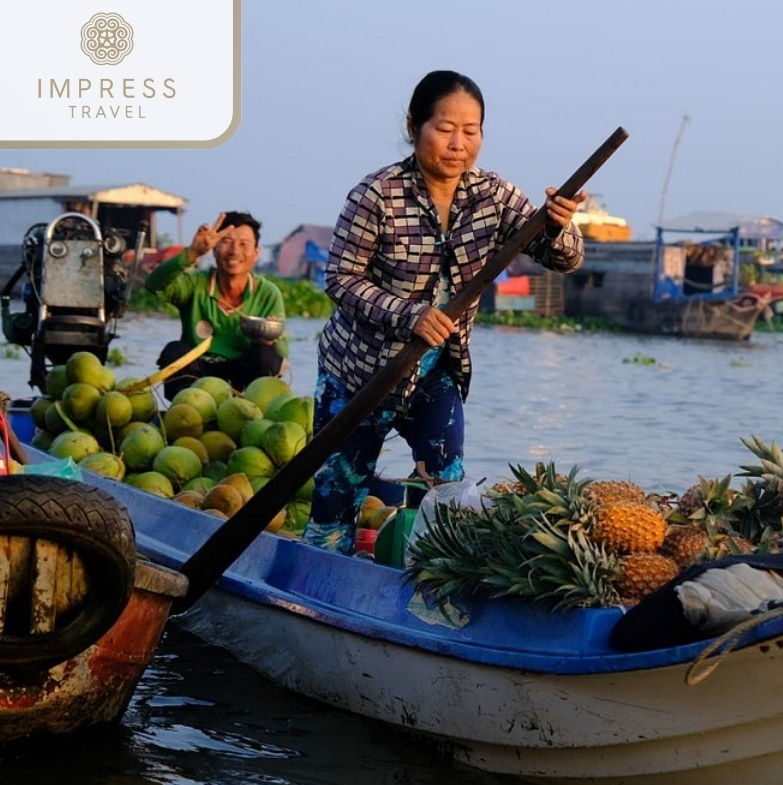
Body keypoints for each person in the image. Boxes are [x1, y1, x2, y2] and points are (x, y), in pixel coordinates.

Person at [302, 70, 586, 554]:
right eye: (445, 128)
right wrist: (407, 315)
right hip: (358, 374)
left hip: (436, 372)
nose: (459, 144)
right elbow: (340, 280)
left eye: (471, 131)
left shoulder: (492, 196)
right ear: (414, 127)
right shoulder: (377, 194)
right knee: (336, 504)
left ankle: (436, 589)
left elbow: (565, 258)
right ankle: (317, 589)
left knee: (450, 490)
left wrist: (560, 225)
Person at [144, 211, 288, 399]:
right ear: (213, 248)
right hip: (197, 380)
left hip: (244, 383)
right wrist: (192, 253)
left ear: (256, 253)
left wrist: (269, 340)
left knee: (266, 355)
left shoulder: (267, 293)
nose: (234, 251)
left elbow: (282, 355)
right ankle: (186, 409)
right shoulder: (194, 285)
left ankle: (251, 410)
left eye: (244, 244)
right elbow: (153, 284)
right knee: (175, 351)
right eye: (226, 241)